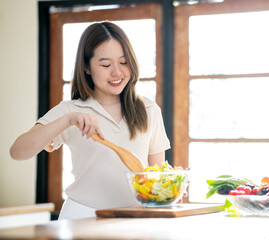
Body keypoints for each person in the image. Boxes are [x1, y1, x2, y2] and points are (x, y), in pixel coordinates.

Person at [10, 21, 171, 220]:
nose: (117, 72)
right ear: (86, 67)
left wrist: (167, 192)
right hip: (81, 216)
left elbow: (157, 175)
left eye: (123, 62)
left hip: (134, 218)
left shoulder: (149, 110)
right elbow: (18, 151)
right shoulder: (70, 110)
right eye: (105, 65)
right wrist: (68, 120)